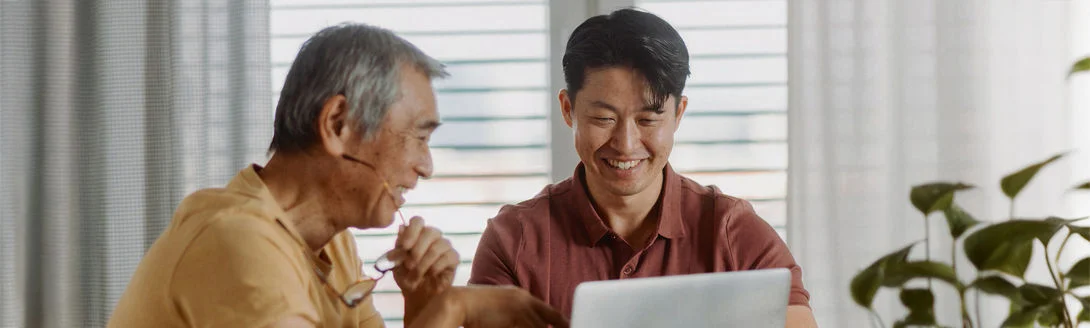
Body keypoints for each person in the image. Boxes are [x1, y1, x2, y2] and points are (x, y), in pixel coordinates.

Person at [108, 23, 567, 328]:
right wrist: (453, 309)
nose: (426, 167)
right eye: (419, 137)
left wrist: (423, 307)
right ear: (337, 125)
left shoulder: (332, 243)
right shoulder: (237, 241)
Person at [468, 8, 818, 327]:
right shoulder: (512, 241)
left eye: (648, 119)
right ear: (567, 109)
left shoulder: (732, 232)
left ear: (678, 114)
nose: (626, 142)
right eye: (604, 118)